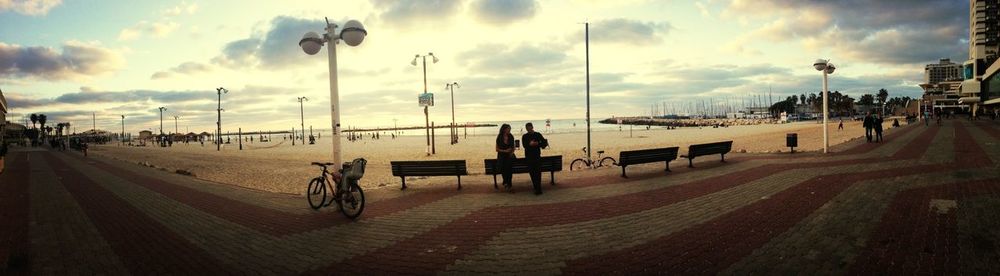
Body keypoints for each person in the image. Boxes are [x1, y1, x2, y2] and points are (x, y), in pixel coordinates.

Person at [521, 122, 548, 195]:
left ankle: (538, 188)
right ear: (526, 128)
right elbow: (524, 146)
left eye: (529, 128)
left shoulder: (537, 134)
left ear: (532, 127)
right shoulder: (524, 136)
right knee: (532, 173)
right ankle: (536, 188)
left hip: (536, 156)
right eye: (527, 128)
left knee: (538, 172)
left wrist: (537, 144)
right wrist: (530, 144)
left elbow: (544, 144)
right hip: (529, 157)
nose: (528, 129)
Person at [495, 124, 516, 192]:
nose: (509, 130)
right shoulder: (499, 137)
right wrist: (505, 151)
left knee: (508, 168)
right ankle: (507, 183)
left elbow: (513, 147)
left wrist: (511, 152)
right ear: (504, 129)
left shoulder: (511, 136)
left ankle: (508, 183)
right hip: (501, 155)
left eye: (510, 129)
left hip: (509, 155)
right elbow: (497, 149)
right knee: (503, 167)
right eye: (508, 129)